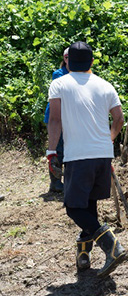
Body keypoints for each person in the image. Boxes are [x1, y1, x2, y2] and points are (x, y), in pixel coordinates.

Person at [47, 41, 126, 277]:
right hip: (102, 155)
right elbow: (119, 119)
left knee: (73, 208)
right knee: (89, 206)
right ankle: (84, 255)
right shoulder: (105, 84)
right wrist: (108, 140)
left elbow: (55, 120)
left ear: (68, 61)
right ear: (91, 61)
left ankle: (112, 245)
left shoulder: (59, 84)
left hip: (79, 155)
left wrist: (51, 151)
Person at [44, 47, 69, 193]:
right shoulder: (59, 74)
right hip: (55, 117)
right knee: (57, 148)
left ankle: (67, 179)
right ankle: (55, 182)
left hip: (67, 116)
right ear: (64, 59)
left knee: (67, 148)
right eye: (68, 58)